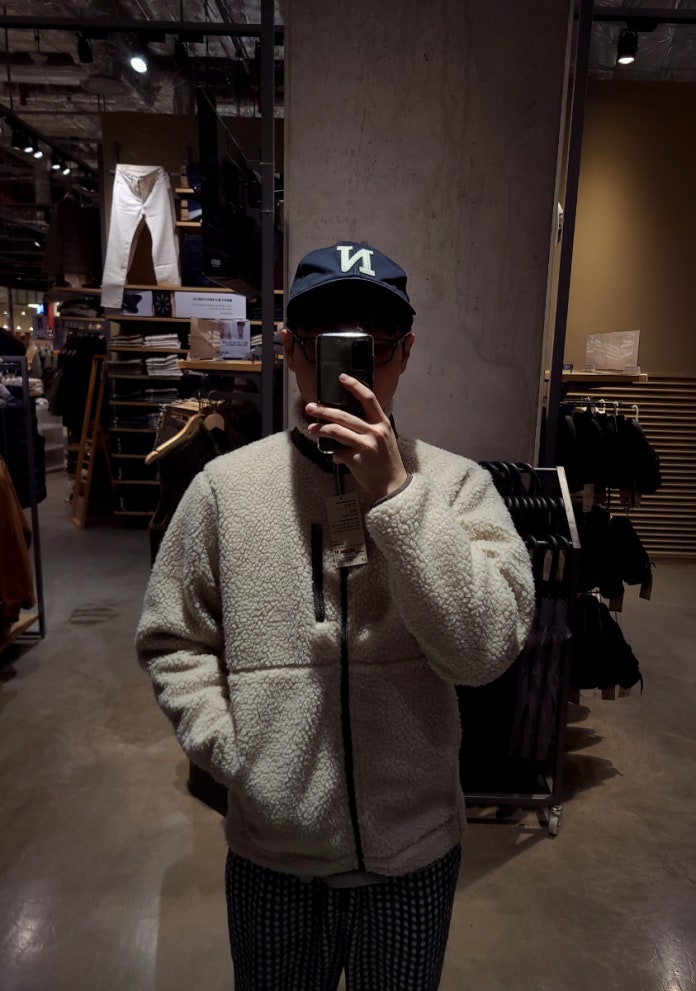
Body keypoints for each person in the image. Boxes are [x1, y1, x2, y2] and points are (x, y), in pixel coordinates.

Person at [136, 240, 535, 991]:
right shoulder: (224, 490)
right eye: (326, 345)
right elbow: (172, 639)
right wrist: (239, 757)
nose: (352, 371)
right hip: (273, 856)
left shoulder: (458, 488)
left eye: (373, 347)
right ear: (290, 350)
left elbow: (484, 653)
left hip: (413, 855)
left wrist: (399, 498)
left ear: (405, 354)